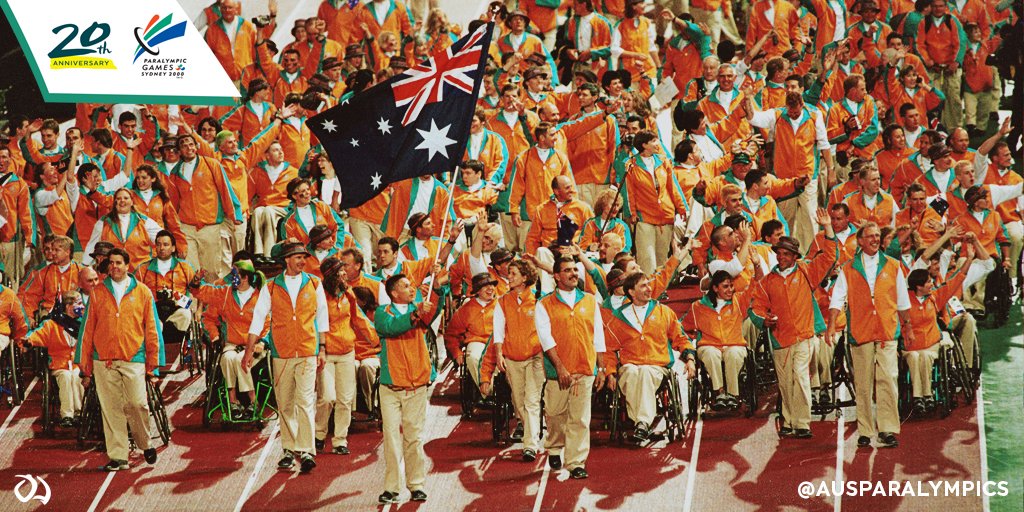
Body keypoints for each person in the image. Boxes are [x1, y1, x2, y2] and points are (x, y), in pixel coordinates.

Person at [749, 211, 838, 438]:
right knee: (785, 382)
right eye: (779, 253)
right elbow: (755, 309)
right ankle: (788, 421)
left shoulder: (807, 271)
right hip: (780, 338)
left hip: (805, 335)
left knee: (800, 376)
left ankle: (802, 423)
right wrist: (764, 320)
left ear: (795, 256)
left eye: (786, 254)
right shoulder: (768, 281)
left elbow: (829, 257)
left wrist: (827, 228)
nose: (781, 257)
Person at [243, 241, 329, 473]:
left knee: (305, 401)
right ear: (286, 260)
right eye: (297, 257)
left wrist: (322, 348)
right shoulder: (270, 287)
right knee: (285, 403)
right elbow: (258, 319)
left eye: (304, 257)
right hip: (282, 352)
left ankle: (308, 451)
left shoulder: (314, 283)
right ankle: (289, 450)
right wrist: (248, 352)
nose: (302, 261)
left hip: (307, 350)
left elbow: (322, 316)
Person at [75, 248, 164, 471]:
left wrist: (153, 365)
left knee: (137, 404)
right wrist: (84, 366)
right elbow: (87, 330)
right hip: (103, 359)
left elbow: (152, 329)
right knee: (111, 408)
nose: (114, 267)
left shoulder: (142, 292)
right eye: (111, 263)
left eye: (118, 263)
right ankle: (118, 457)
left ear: (127, 265)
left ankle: (145, 443)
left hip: (134, 357)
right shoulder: (97, 293)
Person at [827, 222, 913, 449]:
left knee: (887, 381)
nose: (875, 239)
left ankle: (887, 429)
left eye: (878, 236)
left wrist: (908, 327)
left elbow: (903, 300)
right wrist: (831, 326)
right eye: (870, 236)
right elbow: (837, 298)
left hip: (886, 331)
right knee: (863, 383)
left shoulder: (893, 266)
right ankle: (865, 430)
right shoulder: (848, 268)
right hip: (860, 332)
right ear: (861, 241)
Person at [374, 272, 446, 504]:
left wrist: (436, 289)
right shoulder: (381, 313)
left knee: (413, 438)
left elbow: (433, 310)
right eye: (406, 286)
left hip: (416, 384)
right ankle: (392, 488)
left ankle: (416, 485)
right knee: (392, 438)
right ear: (394, 292)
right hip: (391, 386)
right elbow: (391, 328)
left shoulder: (420, 309)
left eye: (411, 285)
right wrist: (416, 313)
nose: (411, 288)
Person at [535, 257, 609, 480]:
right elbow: (546, 339)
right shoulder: (544, 304)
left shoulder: (589, 300)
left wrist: (602, 368)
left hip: (585, 368)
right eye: (567, 270)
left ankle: (576, 462)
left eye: (575, 270)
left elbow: (598, 335)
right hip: (558, 372)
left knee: (580, 418)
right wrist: (560, 368)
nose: (573, 274)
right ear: (556, 276)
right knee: (555, 414)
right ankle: (555, 446)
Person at [604, 272, 696, 443]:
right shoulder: (618, 317)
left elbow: (681, 338)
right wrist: (610, 373)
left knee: (645, 372)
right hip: (629, 365)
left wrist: (689, 358)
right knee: (631, 372)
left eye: (648, 284)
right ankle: (642, 423)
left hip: (656, 365)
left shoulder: (664, 312)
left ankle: (642, 422)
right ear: (631, 292)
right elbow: (609, 350)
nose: (649, 289)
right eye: (643, 286)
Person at [315, 256, 378, 455]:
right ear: (331, 276)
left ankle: (340, 440)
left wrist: (377, 339)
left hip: (346, 353)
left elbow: (359, 319)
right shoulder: (320, 297)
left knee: (345, 399)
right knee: (327, 399)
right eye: (341, 272)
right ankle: (318, 434)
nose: (345, 274)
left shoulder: (348, 294)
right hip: (326, 353)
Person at [192, 258, 268, 419]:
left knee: (241, 359)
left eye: (234, 274)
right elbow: (205, 294)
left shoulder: (260, 297)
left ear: (245, 277)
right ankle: (233, 401)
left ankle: (252, 400)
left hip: (253, 346)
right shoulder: (225, 293)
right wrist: (214, 336)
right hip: (231, 344)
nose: (230, 277)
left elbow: (268, 324)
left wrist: (262, 342)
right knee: (227, 358)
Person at [682, 268, 758, 410]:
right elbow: (683, 329)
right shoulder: (697, 307)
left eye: (731, 286)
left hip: (734, 344)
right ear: (715, 288)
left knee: (733, 354)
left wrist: (757, 266)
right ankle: (719, 393)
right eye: (725, 286)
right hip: (709, 345)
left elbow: (755, 286)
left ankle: (733, 395)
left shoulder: (739, 301)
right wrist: (689, 347)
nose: (730, 290)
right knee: (711, 354)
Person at [23, 290, 85, 428]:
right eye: (78, 303)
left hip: (77, 364)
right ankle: (67, 415)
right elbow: (37, 334)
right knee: (66, 377)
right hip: (59, 364)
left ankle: (79, 412)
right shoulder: (52, 324)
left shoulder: (83, 323)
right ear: (68, 307)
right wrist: (28, 341)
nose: (82, 306)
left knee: (76, 376)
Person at [444, 273, 498, 387]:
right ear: (477, 290)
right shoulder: (466, 309)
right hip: (477, 342)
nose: (490, 289)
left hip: (499, 341)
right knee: (473, 357)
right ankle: (487, 389)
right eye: (485, 286)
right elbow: (451, 334)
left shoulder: (502, 305)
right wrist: (456, 353)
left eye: (492, 285)